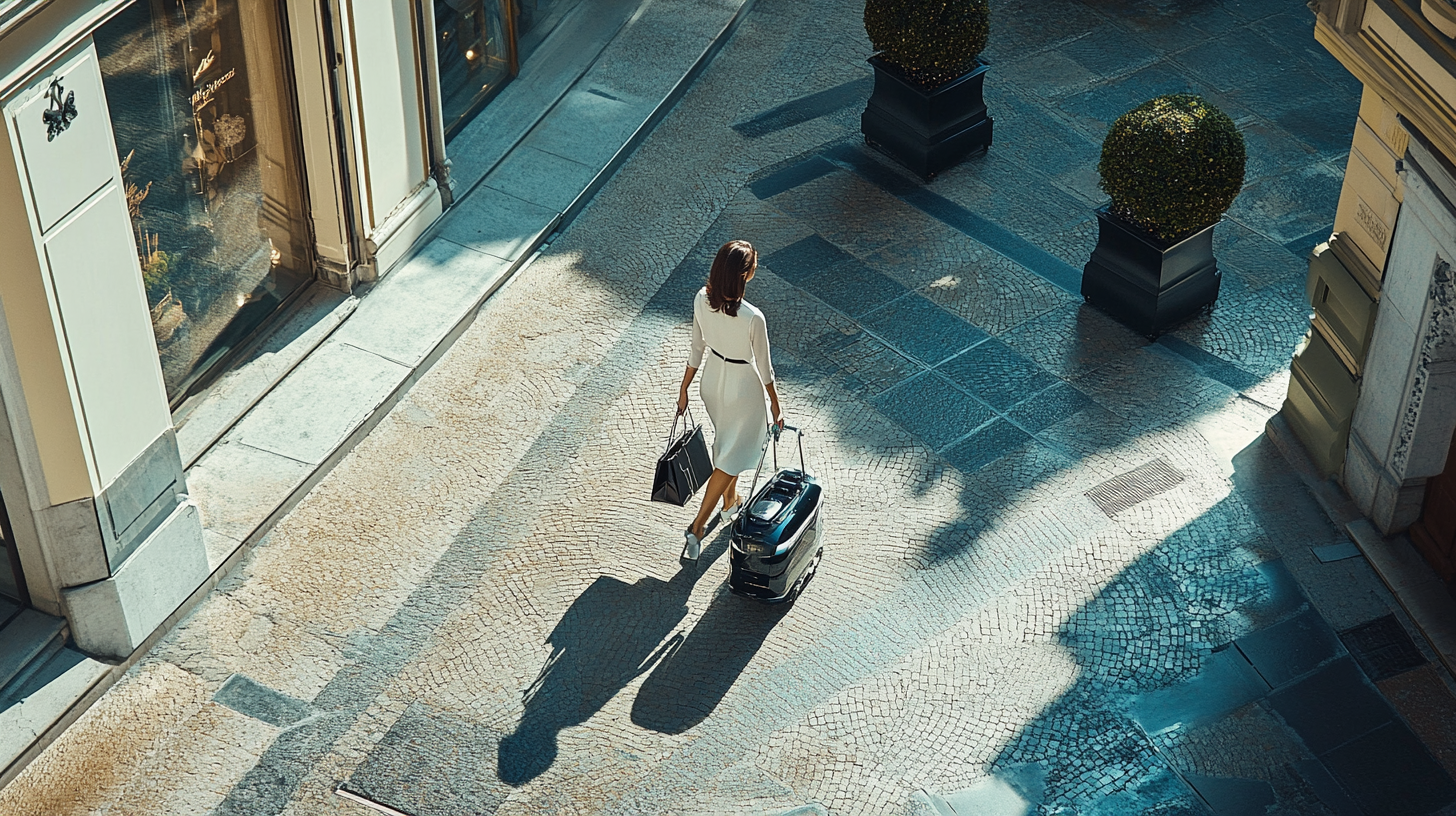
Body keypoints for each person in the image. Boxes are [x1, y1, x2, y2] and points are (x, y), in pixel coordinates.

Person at [676, 240, 784, 560]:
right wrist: (776, 405)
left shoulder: (700, 298)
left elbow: (696, 348)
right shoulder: (753, 317)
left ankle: (730, 503)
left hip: (712, 382)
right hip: (742, 391)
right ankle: (697, 527)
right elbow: (765, 369)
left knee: (731, 447)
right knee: (728, 457)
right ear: (744, 275)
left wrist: (684, 389)